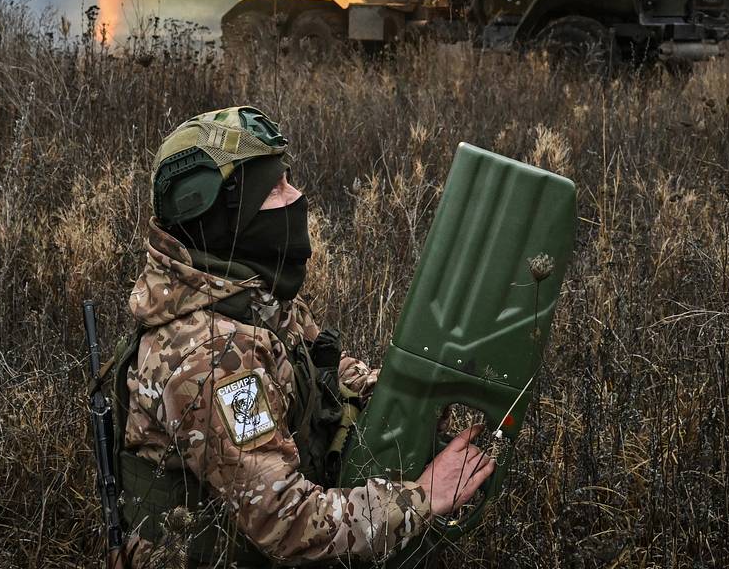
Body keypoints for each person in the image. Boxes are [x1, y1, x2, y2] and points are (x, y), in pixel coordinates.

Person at [112, 105, 495, 568]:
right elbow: (288, 522)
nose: (296, 196)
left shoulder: (250, 296)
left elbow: (327, 369)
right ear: (224, 216)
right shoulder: (211, 358)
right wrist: (423, 497)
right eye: (274, 188)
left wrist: (410, 398)